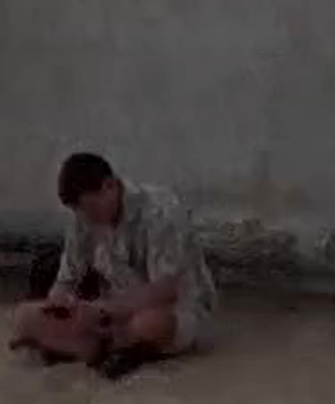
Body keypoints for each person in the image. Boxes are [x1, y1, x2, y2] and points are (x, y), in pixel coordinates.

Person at [13, 150, 216, 372]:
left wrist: (102, 310)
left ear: (110, 187)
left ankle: (100, 347)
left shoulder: (161, 212)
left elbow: (164, 292)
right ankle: (106, 347)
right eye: (78, 211)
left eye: (91, 209)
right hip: (108, 314)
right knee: (25, 316)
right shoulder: (83, 219)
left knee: (148, 324)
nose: (85, 218)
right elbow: (66, 281)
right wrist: (61, 305)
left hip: (172, 310)